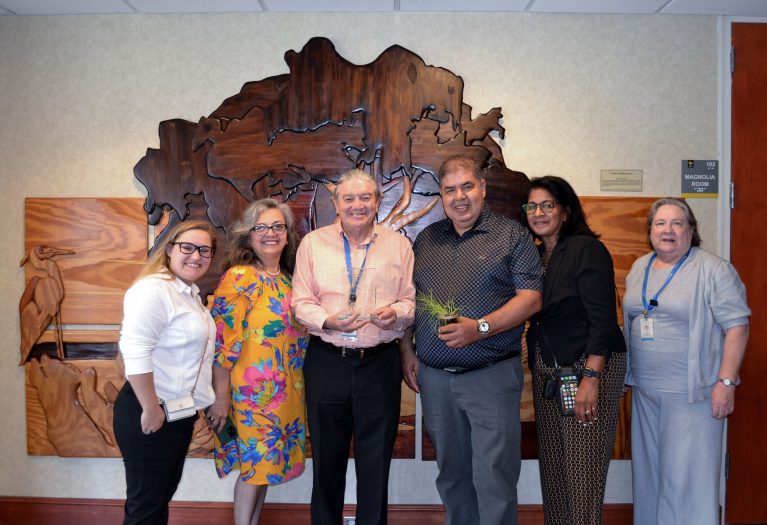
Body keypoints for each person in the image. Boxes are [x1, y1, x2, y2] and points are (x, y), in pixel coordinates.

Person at [399, 156, 543, 525]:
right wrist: (406, 350)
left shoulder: (512, 236)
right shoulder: (427, 240)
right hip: (436, 380)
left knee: (494, 474)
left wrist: (478, 328)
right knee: (452, 472)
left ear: (483, 188)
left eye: (467, 187)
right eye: (450, 190)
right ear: (442, 196)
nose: (459, 197)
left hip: (490, 376)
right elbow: (410, 300)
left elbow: (531, 297)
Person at [291, 168, 415, 525]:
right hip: (327, 362)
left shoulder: (398, 244)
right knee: (327, 462)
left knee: (375, 463)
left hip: (380, 364)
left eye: (365, 198)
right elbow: (301, 301)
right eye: (349, 198)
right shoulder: (313, 243)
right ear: (335, 204)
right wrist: (327, 320)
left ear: (377, 202)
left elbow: (411, 301)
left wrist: (396, 314)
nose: (357, 205)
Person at [623, 198, 750, 525]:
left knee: (687, 482)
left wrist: (725, 383)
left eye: (678, 223)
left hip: (693, 395)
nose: (668, 230)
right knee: (649, 477)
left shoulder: (713, 269)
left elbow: (737, 327)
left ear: (691, 230)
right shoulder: (641, 267)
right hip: (646, 392)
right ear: (650, 230)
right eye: (660, 223)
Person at [522, 176, 627, 525]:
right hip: (550, 371)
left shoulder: (585, 249)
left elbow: (604, 320)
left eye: (547, 205)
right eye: (532, 206)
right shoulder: (538, 255)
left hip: (588, 366)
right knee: (554, 469)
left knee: (582, 472)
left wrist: (591, 378)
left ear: (566, 211)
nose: (538, 213)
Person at [206, 198, 308, 525]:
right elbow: (221, 345)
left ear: (288, 234)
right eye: (260, 227)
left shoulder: (290, 281)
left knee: (266, 470)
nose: (270, 233)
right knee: (254, 468)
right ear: (248, 236)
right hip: (250, 397)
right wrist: (221, 399)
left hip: (287, 396)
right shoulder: (239, 278)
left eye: (278, 226)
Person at [113, 220, 218, 525]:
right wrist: (151, 408)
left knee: (158, 500)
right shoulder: (153, 290)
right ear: (170, 249)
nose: (195, 256)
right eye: (187, 247)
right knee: (145, 506)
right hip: (151, 411)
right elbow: (134, 351)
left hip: (178, 413)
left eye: (204, 250)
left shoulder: (188, 293)